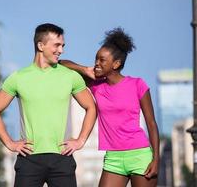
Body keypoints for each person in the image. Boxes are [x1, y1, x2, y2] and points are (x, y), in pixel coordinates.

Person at [0, 23, 96, 187]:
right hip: (29, 159)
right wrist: (9, 143)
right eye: (57, 45)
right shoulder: (18, 78)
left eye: (63, 46)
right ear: (40, 45)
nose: (61, 50)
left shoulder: (71, 76)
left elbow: (91, 107)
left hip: (62, 158)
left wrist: (81, 140)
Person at [59, 27, 159, 187]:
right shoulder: (97, 85)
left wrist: (156, 159)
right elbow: (62, 64)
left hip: (140, 155)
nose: (96, 63)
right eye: (96, 59)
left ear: (116, 63)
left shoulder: (137, 84)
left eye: (102, 60)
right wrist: (84, 69)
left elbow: (151, 124)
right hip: (113, 158)